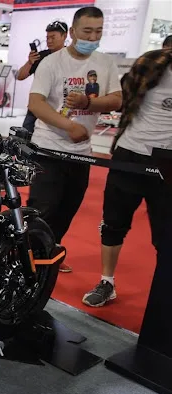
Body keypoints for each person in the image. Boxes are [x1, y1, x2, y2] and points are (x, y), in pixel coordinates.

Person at [27, 6, 122, 273]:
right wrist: (68, 126)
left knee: (68, 208)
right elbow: (36, 103)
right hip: (49, 149)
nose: (92, 37)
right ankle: (29, 260)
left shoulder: (105, 63)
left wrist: (88, 103)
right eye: (87, 31)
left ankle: (50, 252)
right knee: (42, 210)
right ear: (73, 31)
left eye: (98, 32)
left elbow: (117, 99)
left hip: (81, 153)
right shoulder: (52, 62)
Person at [82, 47, 172, 307]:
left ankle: (163, 292)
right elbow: (125, 98)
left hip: (168, 161)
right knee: (113, 222)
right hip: (130, 153)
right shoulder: (150, 63)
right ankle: (106, 282)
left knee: (166, 233)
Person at [16, 21, 68, 133]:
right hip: (37, 106)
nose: (49, 41)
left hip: (60, 107)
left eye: (53, 37)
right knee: (26, 136)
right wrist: (30, 62)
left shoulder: (70, 57)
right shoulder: (41, 56)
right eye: (47, 38)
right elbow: (20, 76)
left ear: (64, 36)